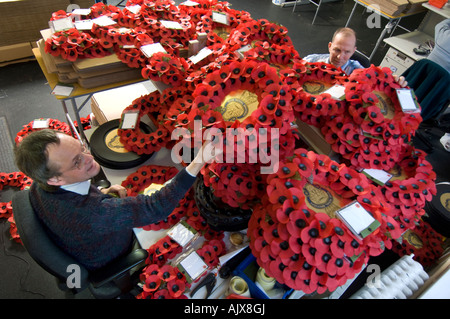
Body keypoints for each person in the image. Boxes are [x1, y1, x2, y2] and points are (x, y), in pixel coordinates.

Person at [14, 129, 217, 271]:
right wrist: (198, 162)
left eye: (81, 148)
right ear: (55, 179)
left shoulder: (39, 185)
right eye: (77, 161)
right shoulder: (95, 213)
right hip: (106, 257)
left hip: (77, 236)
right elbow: (155, 207)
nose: (89, 157)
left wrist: (103, 192)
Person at [304, 27, 408, 86]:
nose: (340, 57)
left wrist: (393, 84)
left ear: (353, 51)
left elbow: (376, 83)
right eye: (337, 50)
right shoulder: (311, 60)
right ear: (330, 46)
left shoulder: (357, 70)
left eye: (347, 52)